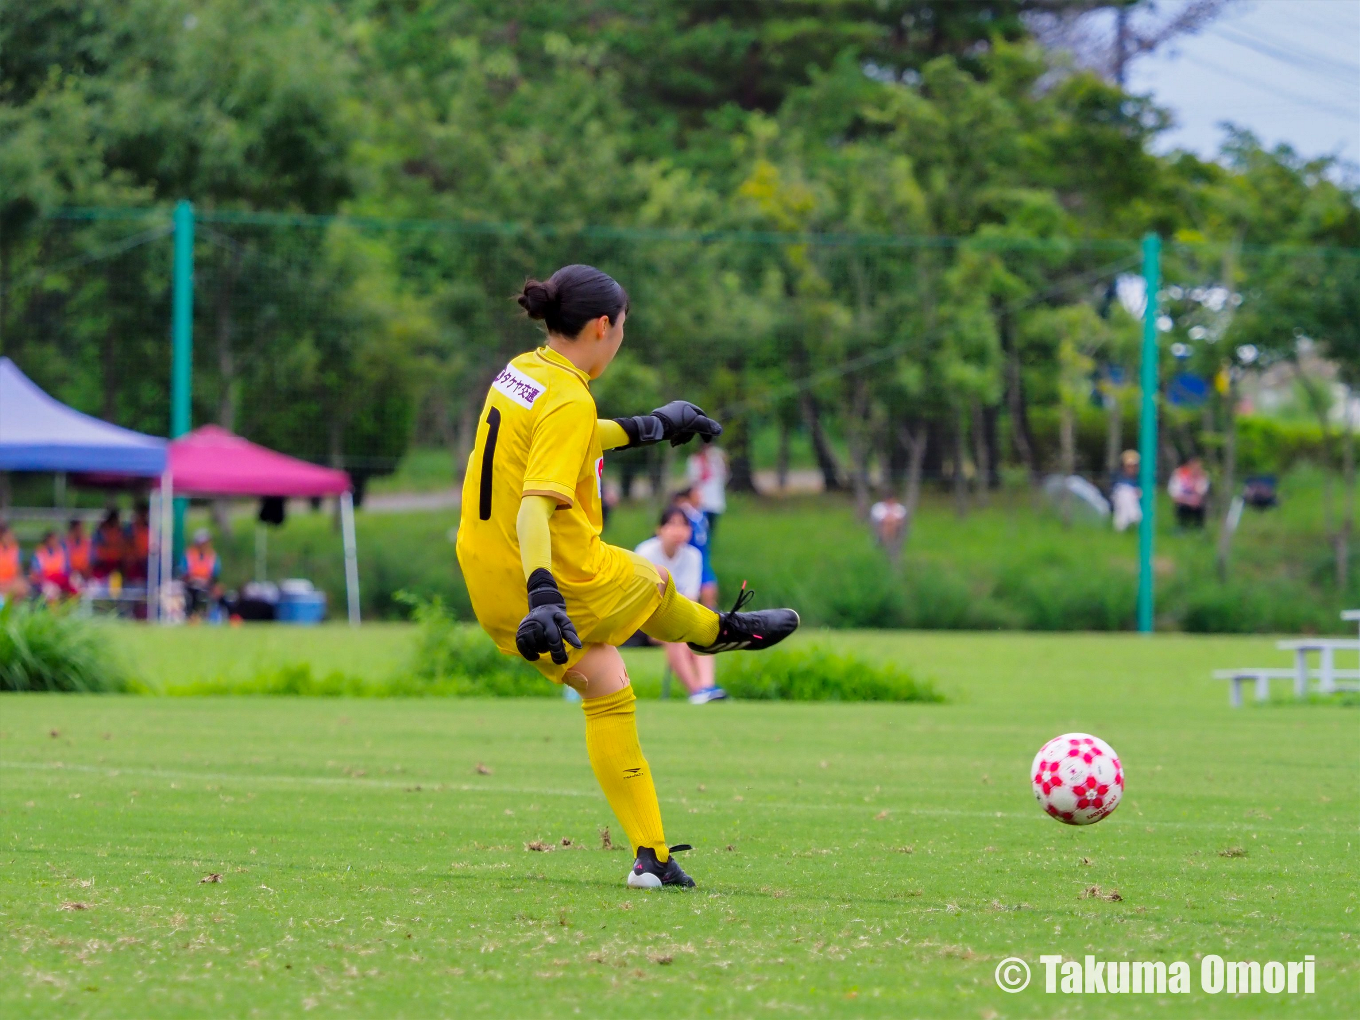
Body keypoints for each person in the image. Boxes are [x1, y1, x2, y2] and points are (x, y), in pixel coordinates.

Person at [456, 264, 799, 890]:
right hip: (549, 575)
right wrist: (544, 593)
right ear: (601, 326)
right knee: (653, 580)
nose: (620, 342)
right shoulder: (568, 394)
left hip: (486, 574)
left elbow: (571, 438)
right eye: (622, 331)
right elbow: (537, 502)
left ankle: (652, 858)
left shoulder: (522, 372)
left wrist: (655, 426)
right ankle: (716, 632)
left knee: (608, 688)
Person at [634, 506, 725, 704]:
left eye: (683, 525)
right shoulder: (645, 552)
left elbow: (691, 599)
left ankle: (706, 688)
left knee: (699, 632)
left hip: (673, 620)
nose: (678, 531)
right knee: (673, 637)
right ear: (660, 529)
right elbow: (639, 598)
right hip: (640, 621)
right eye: (672, 524)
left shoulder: (693, 556)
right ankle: (696, 692)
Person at [672, 484, 719, 609]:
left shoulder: (701, 514)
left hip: (703, 556)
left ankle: (712, 620)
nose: (700, 497)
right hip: (688, 557)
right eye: (696, 494)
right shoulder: (684, 514)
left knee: (709, 588)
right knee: (690, 592)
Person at [686, 443, 728, 537]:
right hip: (701, 495)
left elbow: (723, 475)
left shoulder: (716, 461)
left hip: (714, 495)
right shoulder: (695, 461)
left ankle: (709, 538)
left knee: (712, 520)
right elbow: (692, 479)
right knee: (701, 519)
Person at [179, 528, 223, 618]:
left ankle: (215, 617)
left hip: (207, 584)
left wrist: (209, 582)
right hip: (191, 584)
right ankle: (191, 615)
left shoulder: (212, 555)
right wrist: (193, 579)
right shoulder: (189, 554)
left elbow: (215, 574)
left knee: (219, 593)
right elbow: (184, 572)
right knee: (192, 594)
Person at [29, 530, 76, 601]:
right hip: (46, 581)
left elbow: (68, 569)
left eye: (56, 539)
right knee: (52, 591)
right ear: (47, 540)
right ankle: (53, 611)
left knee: (75, 585)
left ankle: (72, 608)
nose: (55, 541)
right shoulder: (40, 553)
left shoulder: (62, 551)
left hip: (61, 579)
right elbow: (35, 573)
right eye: (53, 539)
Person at [1168, 457, 1210, 529]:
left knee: (1201, 505)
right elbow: (1175, 494)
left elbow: (1202, 491)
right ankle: (1182, 526)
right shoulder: (1179, 474)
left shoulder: (1203, 475)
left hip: (1196, 502)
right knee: (1182, 507)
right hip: (1183, 501)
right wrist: (1188, 500)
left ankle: (1199, 527)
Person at [1111, 450, 1142, 533]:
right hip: (1121, 497)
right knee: (1125, 494)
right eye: (1129, 465)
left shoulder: (1139, 478)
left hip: (1134, 498)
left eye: (1134, 466)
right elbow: (1115, 491)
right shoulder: (1118, 476)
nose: (1132, 468)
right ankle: (1133, 517)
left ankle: (1127, 521)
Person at [90, 509, 126, 579]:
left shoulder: (120, 531)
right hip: (103, 562)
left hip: (117, 563)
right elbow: (97, 547)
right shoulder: (101, 531)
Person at [0, 520, 31, 602]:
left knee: (22, 587)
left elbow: (19, 572)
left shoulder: (15, 550)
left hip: (11, 581)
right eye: (8, 535)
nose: (11, 537)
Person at [124, 501, 151, 582]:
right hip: (133, 561)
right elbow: (127, 544)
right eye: (141, 514)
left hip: (146, 560)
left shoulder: (149, 528)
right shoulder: (130, 529)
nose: (143, 516)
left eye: (144, 514)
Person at [64, 518, 92, 585]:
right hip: (71, 574)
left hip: (86, 574)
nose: (80, 531)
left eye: (81, 529)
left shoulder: (87, 542)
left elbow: (92, 559)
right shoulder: (65, 543)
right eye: (77, 529)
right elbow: (64, 564)